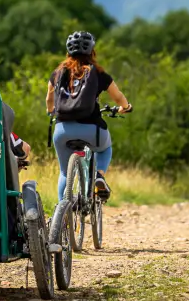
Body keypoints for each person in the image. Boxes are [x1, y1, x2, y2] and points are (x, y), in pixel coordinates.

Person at [46, 31, 132, 202]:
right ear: (92, 51)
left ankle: (61, 214)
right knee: (105, 148)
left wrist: (51, 111)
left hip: (62, 131)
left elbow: (49, 99)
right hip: (92, 130)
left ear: (68, 51)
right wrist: (125, 107)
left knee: (64, 172)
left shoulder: (57, 73)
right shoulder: (98, 73)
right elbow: (118, 96)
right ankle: (99, 176)